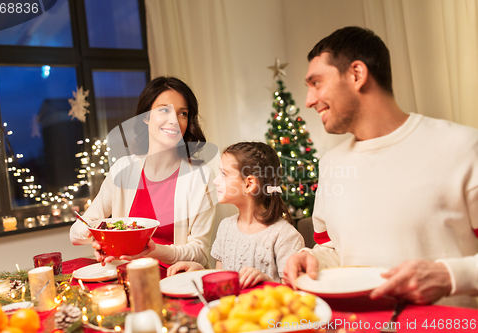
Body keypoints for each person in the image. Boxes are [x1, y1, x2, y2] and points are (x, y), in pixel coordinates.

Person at [282, 26, 478, 307]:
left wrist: (451, 276)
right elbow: (335, 250)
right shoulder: (330, 164)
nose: (309, 101)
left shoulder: (463, 146)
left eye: (316, 83)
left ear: (357, 74)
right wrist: (311, 258)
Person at [70, 76, 217, 268]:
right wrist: (100, 236)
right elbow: (76, 232)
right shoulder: (122, 170)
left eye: (183, 113)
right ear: (145, 117)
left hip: (176, 283)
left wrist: (155, 251)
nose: (174, 120)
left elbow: (200, 254)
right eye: (164, 110)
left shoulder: (201, 177)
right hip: (126, 277)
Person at [168, 142, 305, 289]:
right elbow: (222, 278)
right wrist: (200, 272)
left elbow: (295, 293)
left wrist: (266, 281)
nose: (215, 181)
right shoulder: (225, 227)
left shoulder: (285, 236)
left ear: (249, 184)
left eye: (224, 174)